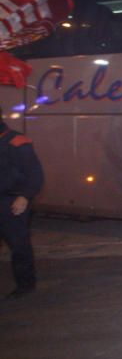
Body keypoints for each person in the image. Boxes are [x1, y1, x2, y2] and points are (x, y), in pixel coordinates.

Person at [0, 107, 45, 300]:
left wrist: (25, 196)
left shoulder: (17, 141)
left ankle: (25, 284)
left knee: (19, 245)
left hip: (12, 201)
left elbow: (35, 174)